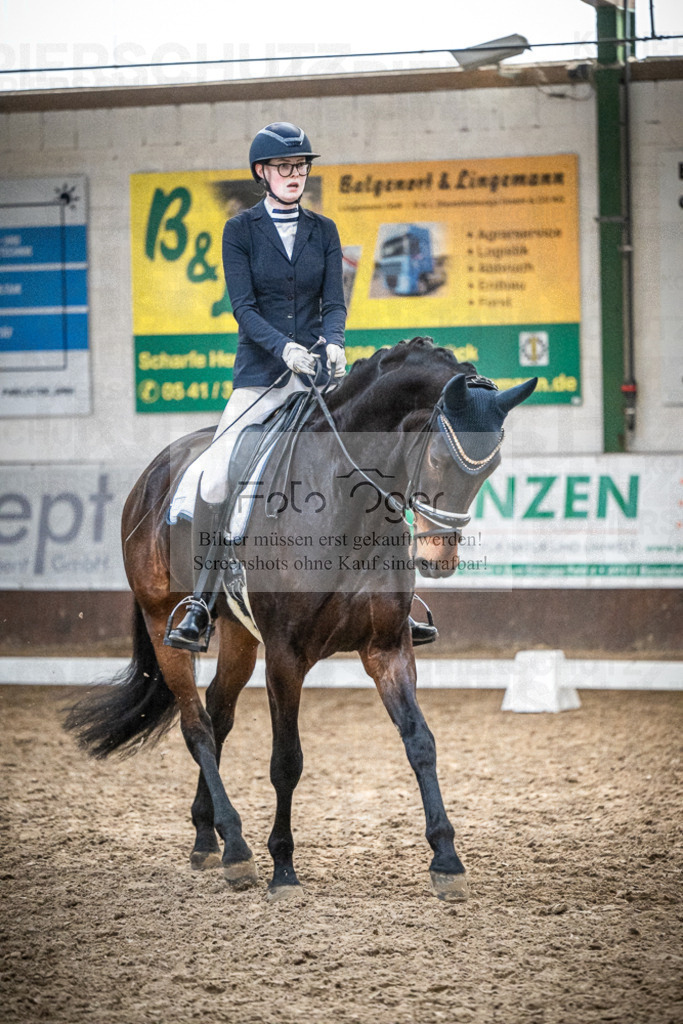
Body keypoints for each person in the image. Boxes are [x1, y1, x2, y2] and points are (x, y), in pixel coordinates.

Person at [165, 121, 436, 650]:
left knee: (372, 465)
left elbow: (333, 301)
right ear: (263, 173)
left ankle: (402, 597)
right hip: (261, 380)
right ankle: (201, 599)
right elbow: (243, 308)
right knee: (218, 478)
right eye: (284, 167)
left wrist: (333, 341)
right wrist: (283, 349)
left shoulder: (324, 230)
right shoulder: (240, 231)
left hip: (318, 380)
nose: (294, 174)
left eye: (301, 166)